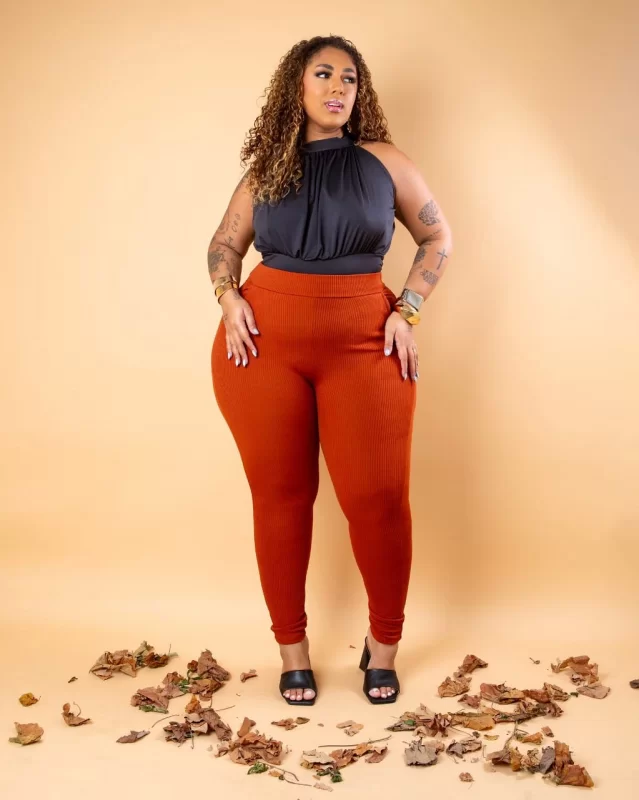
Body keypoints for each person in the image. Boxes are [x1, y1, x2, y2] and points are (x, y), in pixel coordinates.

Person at [209, 35, 453, 706]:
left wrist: (407, 309)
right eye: (323, 74)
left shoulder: (384, 161)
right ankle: (292, 652)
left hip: (365, 344)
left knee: (378, 500)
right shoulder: (267, 169)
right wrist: (228, 296)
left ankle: (383, 646)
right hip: (262, 348)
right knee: (280, 500)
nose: (338, 87)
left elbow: (437, 236)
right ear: (297, 86)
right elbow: (225, 243)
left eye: (349, 78)